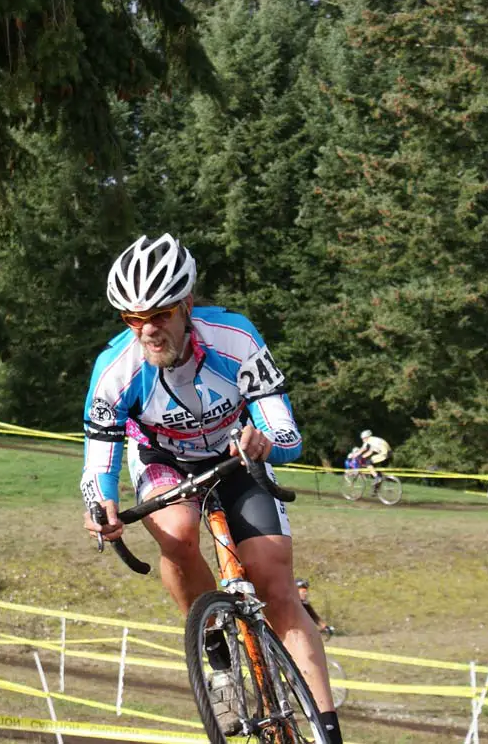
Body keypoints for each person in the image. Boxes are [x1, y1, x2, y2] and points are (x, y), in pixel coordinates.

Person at [79, 234, 343, 743]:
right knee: (176, 531)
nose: (148, 330)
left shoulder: (235, 338)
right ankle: (216, 652)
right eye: (133, 319)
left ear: (187, 305)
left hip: (237, 453)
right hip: (163, 460)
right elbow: (100, 455)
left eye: (160, 314)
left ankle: (327, 731)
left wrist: (266, 439)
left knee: (276, 582)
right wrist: (99, 502)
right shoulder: (115, 370)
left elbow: (285, 429)